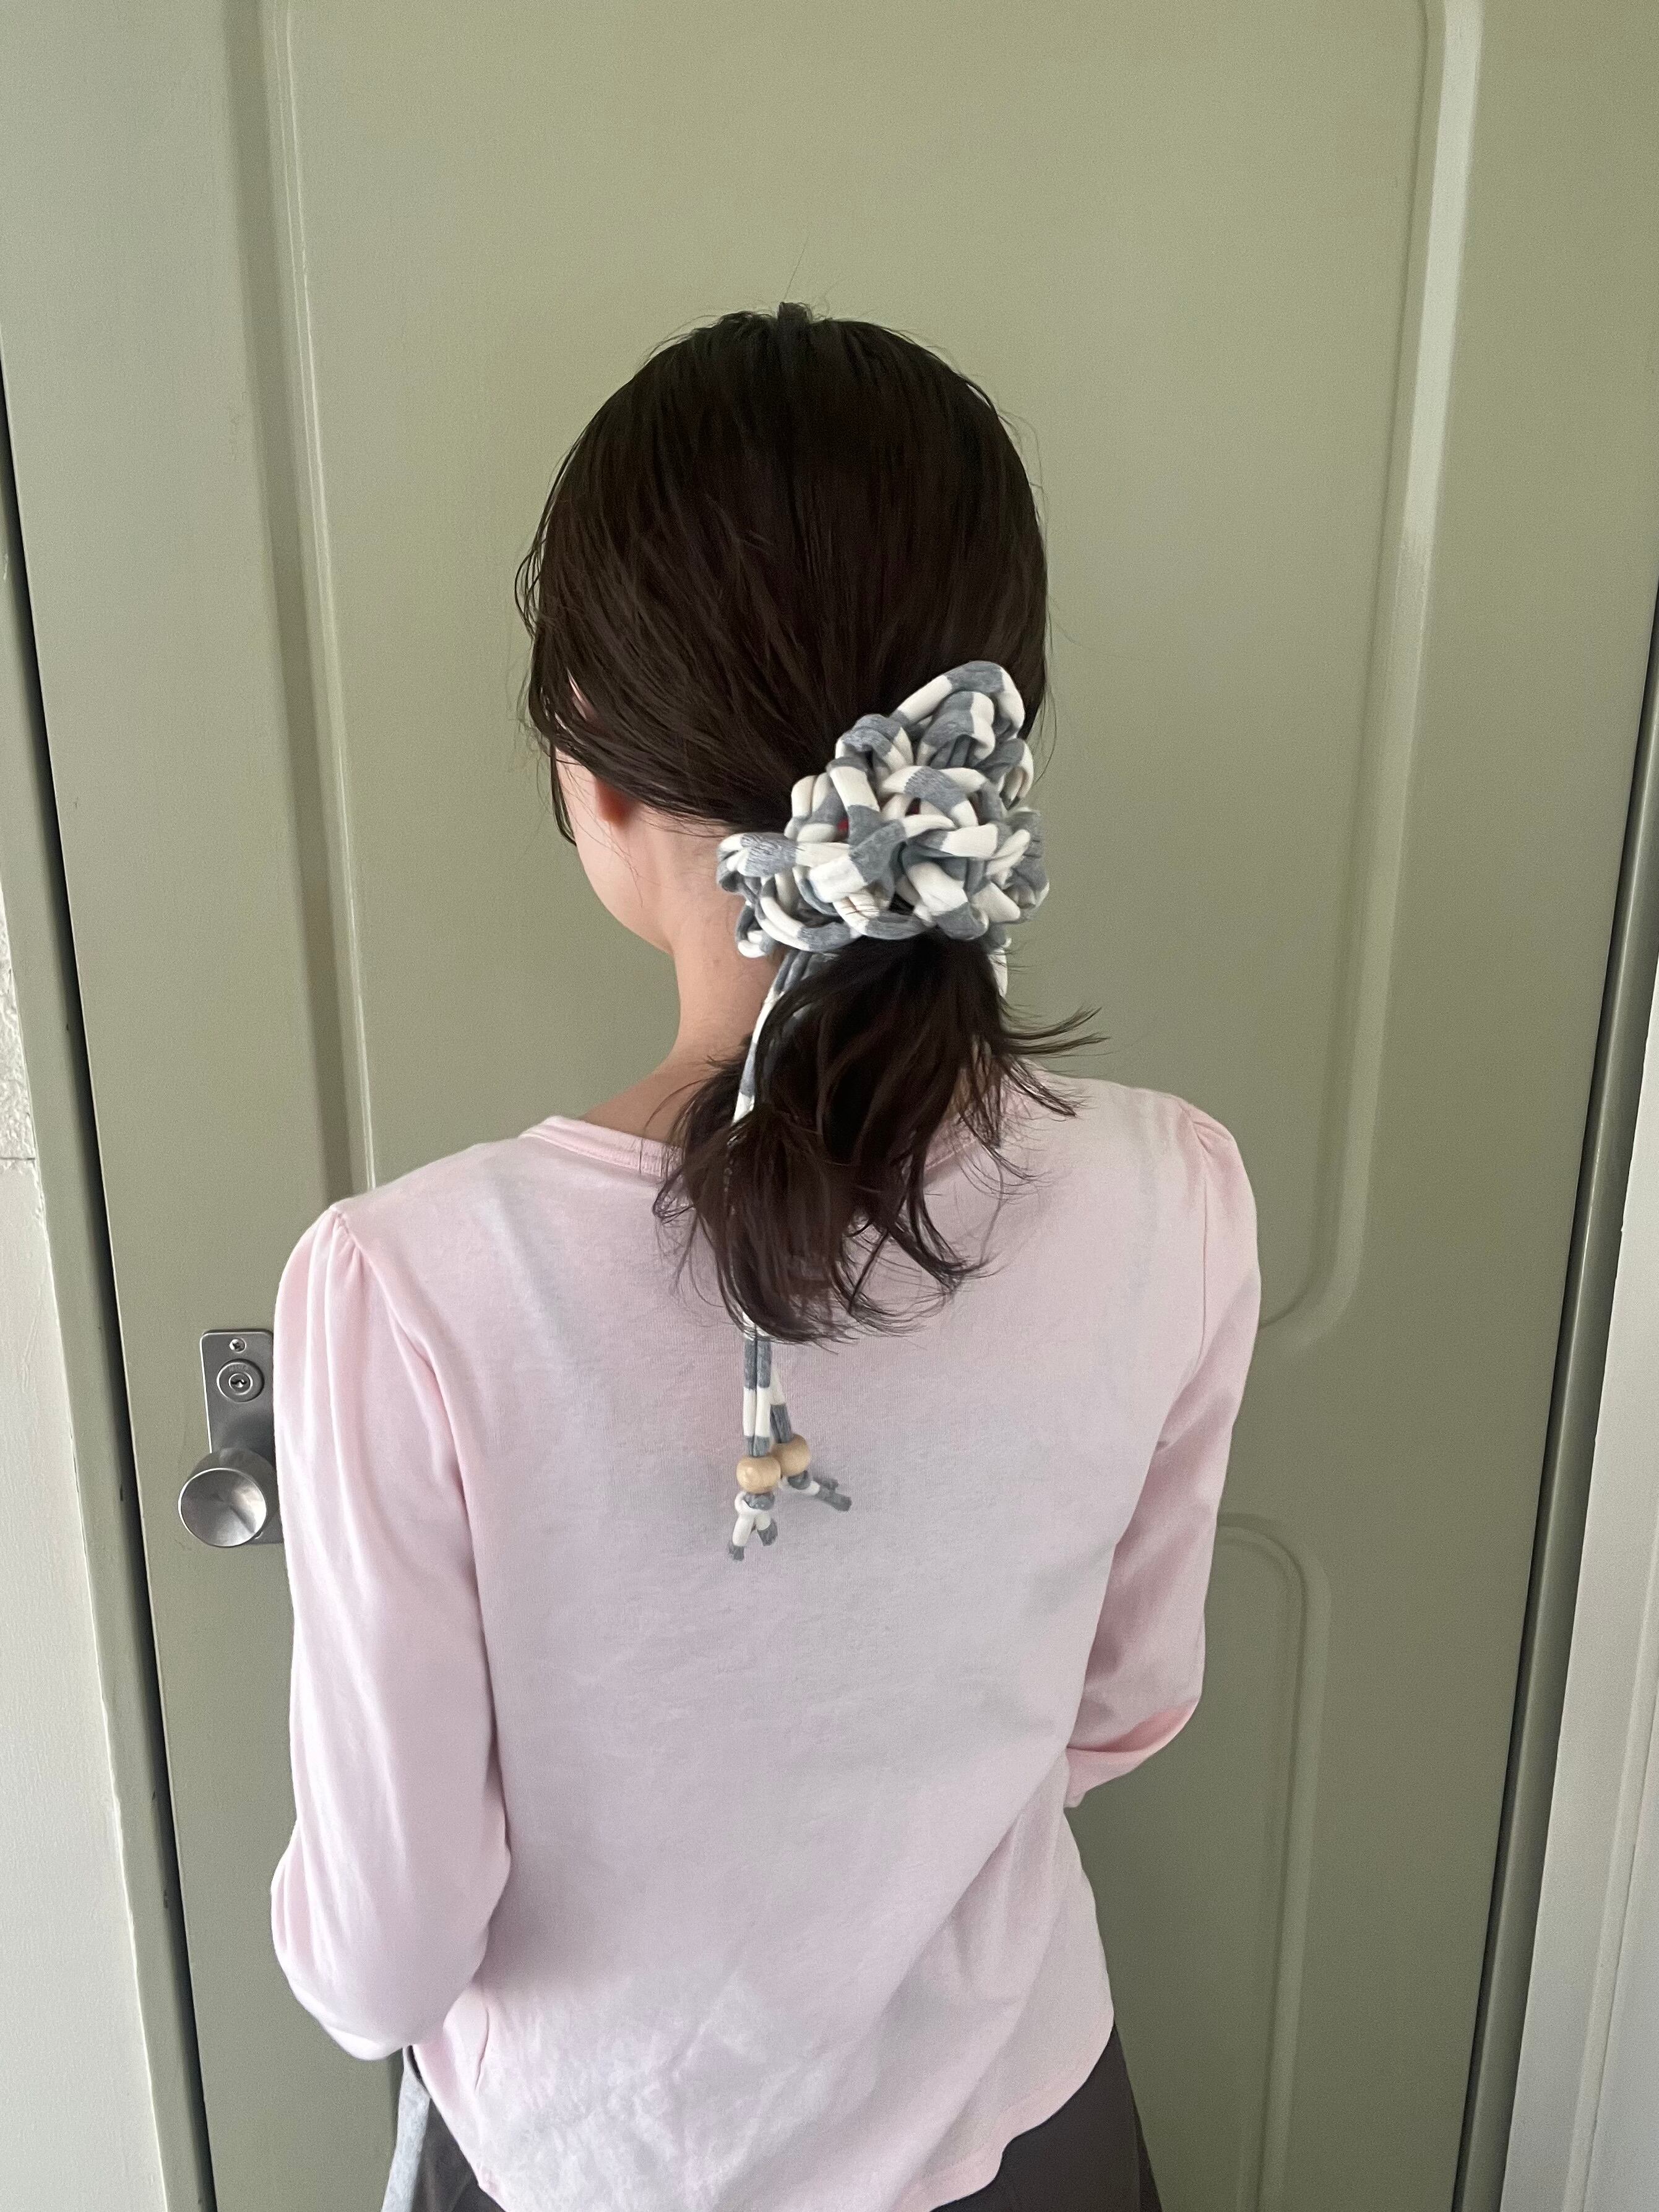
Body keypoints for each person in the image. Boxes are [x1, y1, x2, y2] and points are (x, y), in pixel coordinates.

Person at [269, 304, 1260, 2212]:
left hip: (605, 2164)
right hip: (1027, 2137)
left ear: (593, 773)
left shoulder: (411, 1296)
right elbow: (1123, 1702)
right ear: (987, 745)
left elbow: (380, 1961)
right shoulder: (1174, 1193)